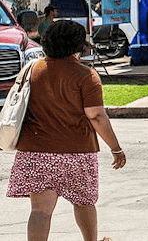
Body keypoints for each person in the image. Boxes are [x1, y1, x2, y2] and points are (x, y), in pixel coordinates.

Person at [6, 20, 126, 241]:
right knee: (84, 203)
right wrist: (116, 148)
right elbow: (96, 115)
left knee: (40, 211)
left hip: (36, 152)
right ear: (78, 46)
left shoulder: (33, 70)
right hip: (77, 152)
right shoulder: (86, 75)